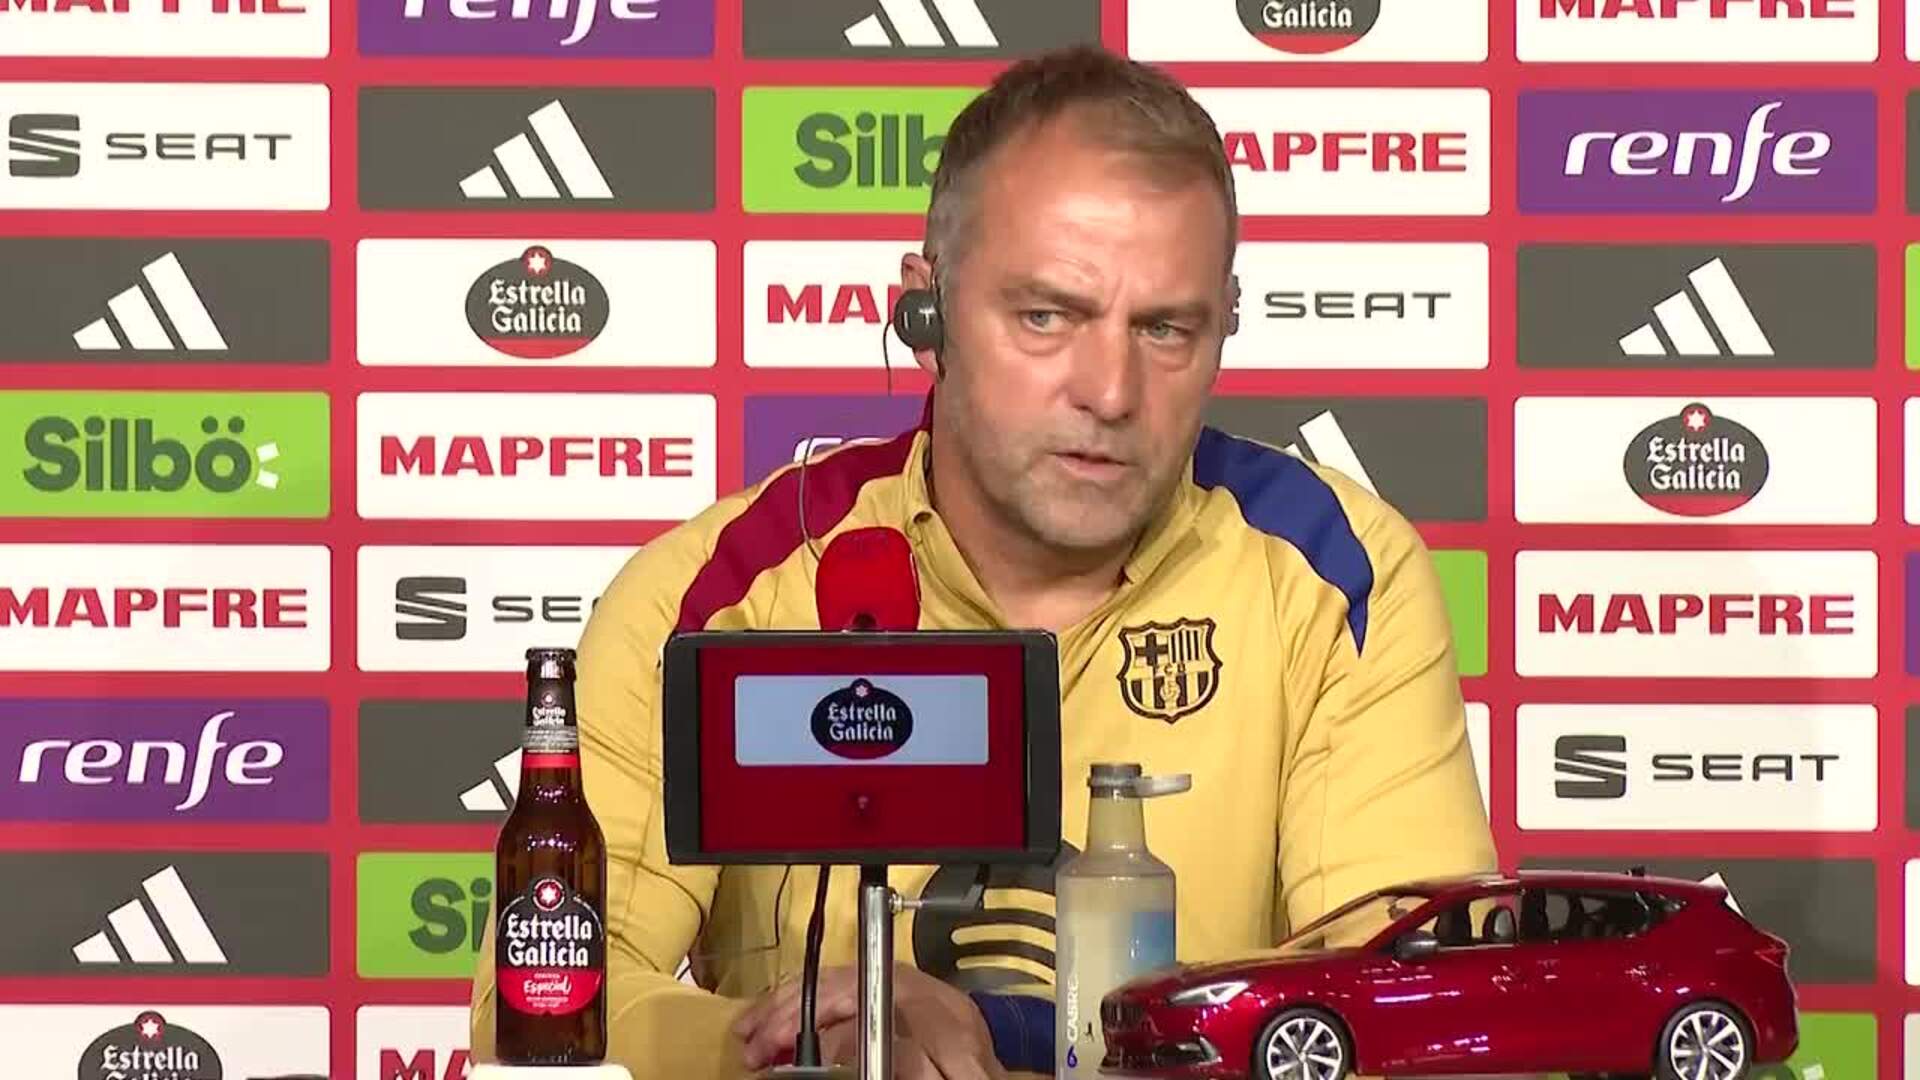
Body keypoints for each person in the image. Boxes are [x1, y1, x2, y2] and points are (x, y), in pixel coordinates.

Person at [468, 42, 1496, 1080]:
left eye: (1166, 329)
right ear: (928, 316)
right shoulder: (723, 589)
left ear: (1225, 327)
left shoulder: (1335, 576)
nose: (1110, 391)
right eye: (1046, 316)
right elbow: (540, 1001)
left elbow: (1431, 1019)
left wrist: (1001, 1040)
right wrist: (804, 1052)